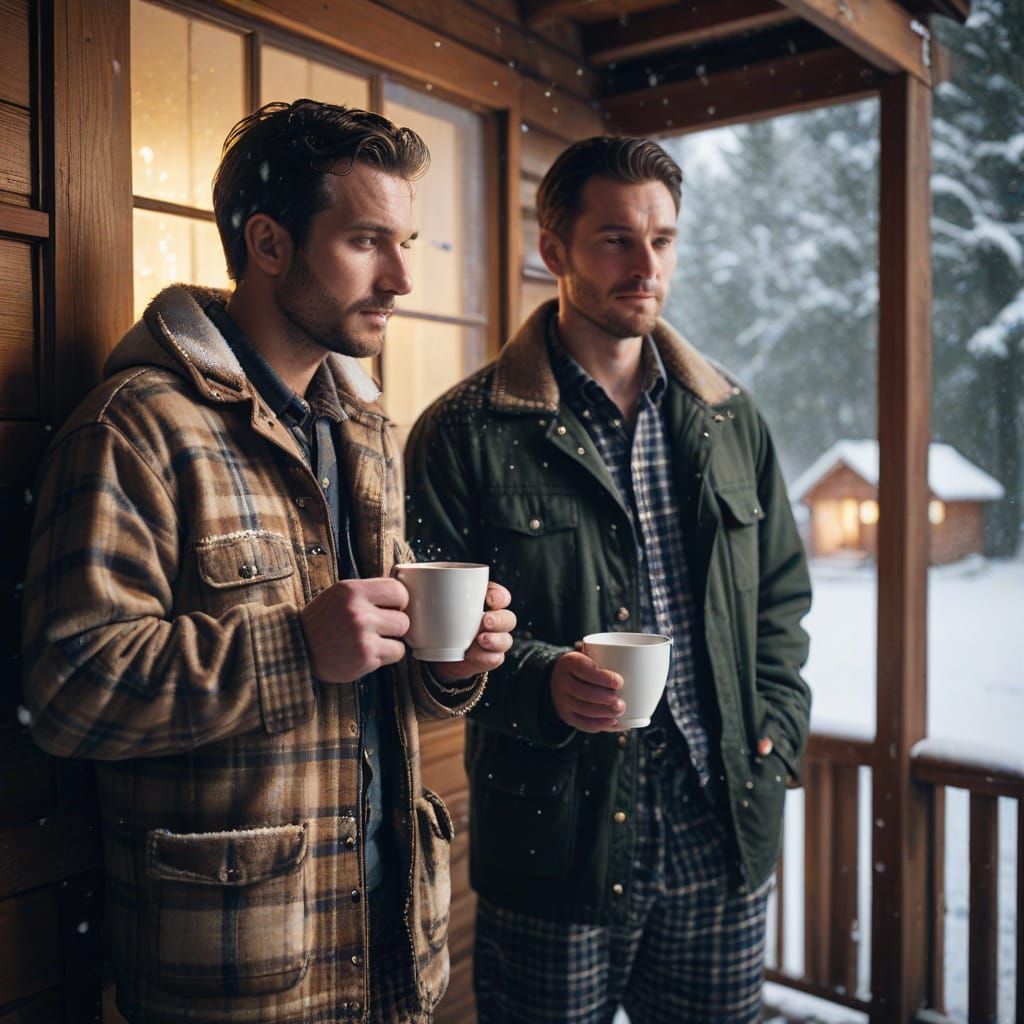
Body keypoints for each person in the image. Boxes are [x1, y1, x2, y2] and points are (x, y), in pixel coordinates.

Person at [20, 99, 515, 1024]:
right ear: (270, 243)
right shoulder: (137, 429)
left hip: (393, 953)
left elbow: (375, 673)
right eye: (369, 240)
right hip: (235, 976)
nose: (402, 276)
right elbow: (66, 689)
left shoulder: (364, 429)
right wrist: (293, 650)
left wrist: (448, 666)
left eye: (405, 241)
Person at [405, 136, 812, 1023]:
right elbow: (431, 652)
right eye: (616, 240)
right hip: (557, 839)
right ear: (554, 250)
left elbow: (782, 596)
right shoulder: (464, 431)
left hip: (722, 828)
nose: (646, 265)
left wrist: (778, 726)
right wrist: (541, 679)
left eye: (663, 240)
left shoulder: (731, 417)